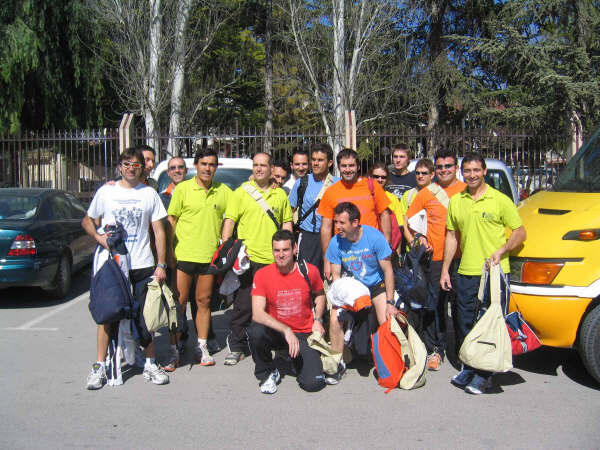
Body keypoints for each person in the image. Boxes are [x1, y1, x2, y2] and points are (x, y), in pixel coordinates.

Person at [82, 146, 169, 389]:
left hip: (142, 264)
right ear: (120, 167)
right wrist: (100, 239)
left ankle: (151, 363)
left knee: (146, 317)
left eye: (136, 165)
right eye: (127, 164)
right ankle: (99, 366)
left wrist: (160, 264)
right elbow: (87, 220)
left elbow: (159, 231)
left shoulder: (149, 194)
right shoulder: (106, 192)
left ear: (143, 168)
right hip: (113, 266)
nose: (131, 169)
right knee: (107, 315)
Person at [441, 153, 526, 395]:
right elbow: (451, 237)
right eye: (467, 171)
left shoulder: (500, 200)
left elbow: (520, 232)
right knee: (465, 322)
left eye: (476, 170)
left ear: (484, 171)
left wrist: (502, 250)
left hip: (495, 273)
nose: (472, 175)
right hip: (466, 271)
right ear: (461, 172)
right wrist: (446, 269)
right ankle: (470, 367)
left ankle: (484, 375)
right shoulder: (457, 201)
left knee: (489, 324)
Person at [221, 152, 293, 365]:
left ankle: (278, 347)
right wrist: (226, 249)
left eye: (263, 165)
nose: (259, 169)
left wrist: (288, 252)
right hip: (247, 259)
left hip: (274, 260)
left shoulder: (279, 195)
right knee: (243, 305)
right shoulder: (241, 192)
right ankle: (237, 345)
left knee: (276, 306)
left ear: (271, 169)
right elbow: (229, 222)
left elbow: (286, 223)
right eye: (256, 165)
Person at [167, 148, 233, 369]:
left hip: (208, 257)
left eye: (212, 164)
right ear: (196, 165)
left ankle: (201, 346)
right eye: (204, 164)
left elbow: (235, 212)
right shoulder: (183, 189)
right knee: (180, 304)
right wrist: (170, 252)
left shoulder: (223, 191)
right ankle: (174, 349)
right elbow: (171, 220)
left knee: (204, 302)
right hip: (183, 256)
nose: (207, 168)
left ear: (216, 167)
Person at [405, 149, 466, 371]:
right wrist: (419, 238)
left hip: (463, 259)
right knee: (435, 306)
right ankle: (435, 350)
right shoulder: (426, 193)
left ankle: (461, 350)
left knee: (462, 307)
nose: (444, 170)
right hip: (436, 259)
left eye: (448, 166)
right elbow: (409, 220)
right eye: (440, 167)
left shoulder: (466, 190)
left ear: (456, 168)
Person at [248, 230, 327, 394]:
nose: (281, 255)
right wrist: (285, 330)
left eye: (285, 250)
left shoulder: (309, 271)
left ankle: (292, 357)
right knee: (255, 331)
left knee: (314, 384)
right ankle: (267, 372)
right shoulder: (262, 275)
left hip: (302, 333)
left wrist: (318, 320)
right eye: (276, 250)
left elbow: (320, 295)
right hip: (277, 332)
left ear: (295, 249)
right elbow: (257, 313)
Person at [325, 202, 398, 380]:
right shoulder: (336, 242)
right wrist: (341, 303)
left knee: (387, 320)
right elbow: (336, 277)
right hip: (352, 287)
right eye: (336, 222)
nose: (338, 227)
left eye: (342, 223)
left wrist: (390, 302)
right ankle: (338, 362)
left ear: (355, 222)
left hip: (375, 285)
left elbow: (388, 270)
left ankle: (391, 364)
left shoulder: (375, 238)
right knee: (335, 319)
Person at [318, 148, 391, 280]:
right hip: (344, 255)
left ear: (358, 166)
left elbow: (384, 216)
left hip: (372, 254)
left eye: (351, 165)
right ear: (338, 167)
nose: (347, 169)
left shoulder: (373, 186)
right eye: (343, 166)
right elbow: (326, 227)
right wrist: (326, 260)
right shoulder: (331, 192)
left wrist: (386, 246)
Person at [289, 143, 339, 274]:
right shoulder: (302, 182)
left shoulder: (338, 184)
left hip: (333, 237)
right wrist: (290, 240)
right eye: (314, 160)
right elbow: (289, 213)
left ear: (329, 163)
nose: (315, 163)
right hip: (308, 238)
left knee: (332, 275)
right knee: (307, 276)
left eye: (320, 160)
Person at [400, 158, 435, 242]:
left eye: (424, 173)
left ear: (432, 175)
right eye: (417, 173)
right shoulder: (408, 195)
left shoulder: (439, 194)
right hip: (414, 247)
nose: (420, 176)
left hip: (435, 245)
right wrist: (412, 243)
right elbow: (403, 223)